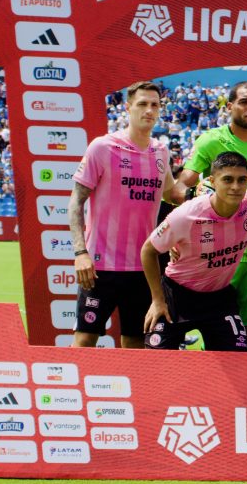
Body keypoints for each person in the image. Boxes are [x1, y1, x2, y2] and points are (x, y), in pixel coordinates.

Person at [140, 152, 247, 351]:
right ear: (213, 181)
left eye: (242, 180)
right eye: (228, 180)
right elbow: (148, 250)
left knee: (236, 360)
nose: (235, 186)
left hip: (219, 298)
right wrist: (157, 300)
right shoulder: (186, 214)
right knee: (155, 362)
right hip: (177, 296)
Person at [171, 81, 247, 349]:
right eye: (244, 102)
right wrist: (195, 201)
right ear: (230, 106)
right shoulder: (211, 141)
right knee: (216, 328)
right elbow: (178, 189)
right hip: (215, 252)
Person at [69, 81, 173, 348]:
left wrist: (207, 190)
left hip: (143, 268)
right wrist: (81, 253)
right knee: (85, 338)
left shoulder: (161, 151)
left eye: (155, 105)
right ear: (128, 107)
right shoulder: (102, 147)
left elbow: (172, 193)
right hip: (100, 267)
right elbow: (75, 202)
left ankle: (133, 391)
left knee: (136, 343)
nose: (149, 110)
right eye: (142, 104)